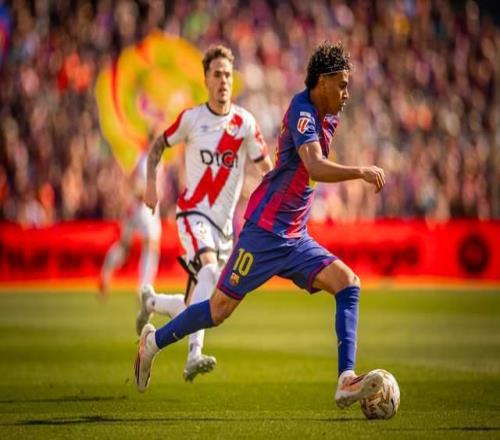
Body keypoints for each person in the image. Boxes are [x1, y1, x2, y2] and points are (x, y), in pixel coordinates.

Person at [136, 42, 386, 408]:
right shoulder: (302, 110)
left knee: (348, 284)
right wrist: (360, 171)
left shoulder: (328, 116)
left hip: (295, 237)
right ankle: (153, 342)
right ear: (322, 81)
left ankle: (346, 380)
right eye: (342, 85)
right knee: (218, 310)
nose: (347, 94)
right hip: (264, 233)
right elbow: (314, 166)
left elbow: (280, 167)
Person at [139, 45, 273, 382]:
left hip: (224, 230)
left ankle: (152, 302)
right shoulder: (192, 119)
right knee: (211, 274)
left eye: (227, 74)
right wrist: (151, 184)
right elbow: (157, 146)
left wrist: (279, 195)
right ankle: (193, 355)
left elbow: (267, 170)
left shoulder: (245, 123)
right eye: (217, 74)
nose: (223, 81)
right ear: (206, 80)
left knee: (198, 305)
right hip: (193, 215)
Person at [99, 153, 161, 298]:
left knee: (124, 246)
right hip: (145, 209)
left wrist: (128, 198)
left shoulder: (138, 157)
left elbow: (131, 179)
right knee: (151, 246)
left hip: (132, 208)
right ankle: (144, 288)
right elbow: (141, 186)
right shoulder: (151, 159)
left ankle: (106, 272)